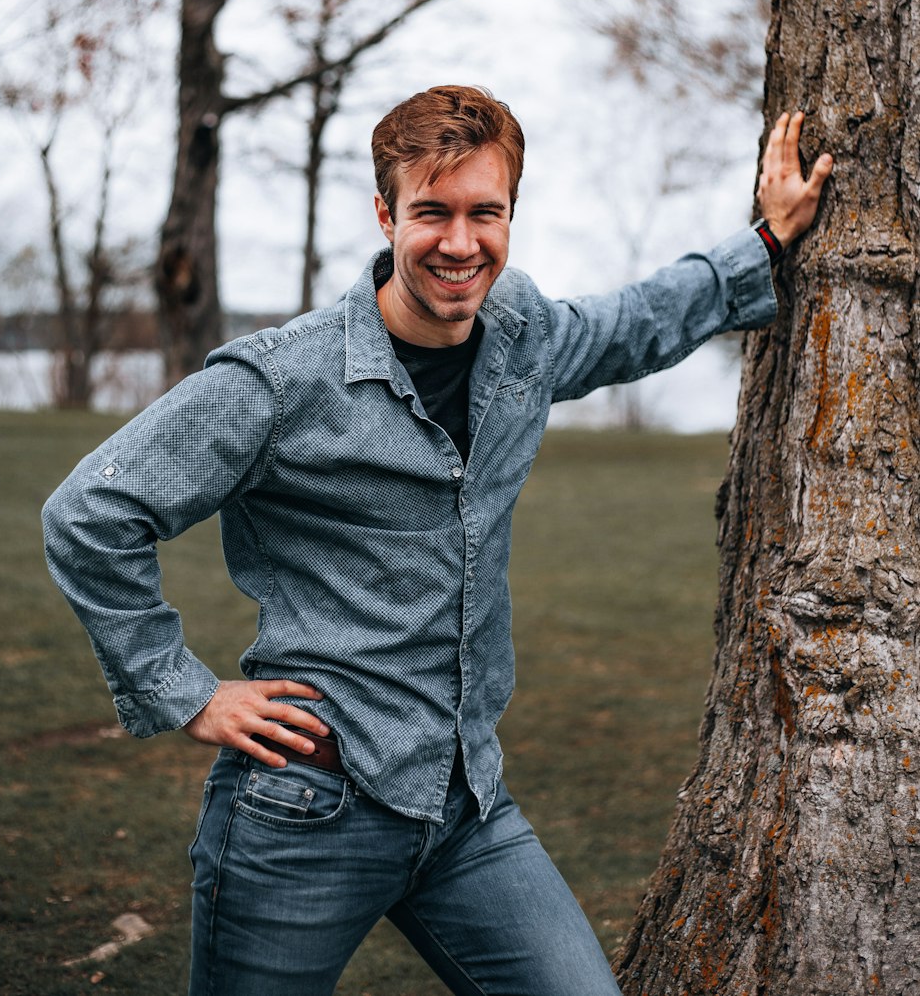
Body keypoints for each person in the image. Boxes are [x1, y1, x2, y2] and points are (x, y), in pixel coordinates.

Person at [42, 87, 832, 996]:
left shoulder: (522, 335)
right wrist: (183, 692)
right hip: (305, 810)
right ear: (387, 214)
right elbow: (91, 513)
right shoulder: (279, 379)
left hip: (466, 811)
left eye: (484, 212)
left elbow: (631, 325)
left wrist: (765, 240)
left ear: (509, 214)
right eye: (432, 212)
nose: (461, 243)